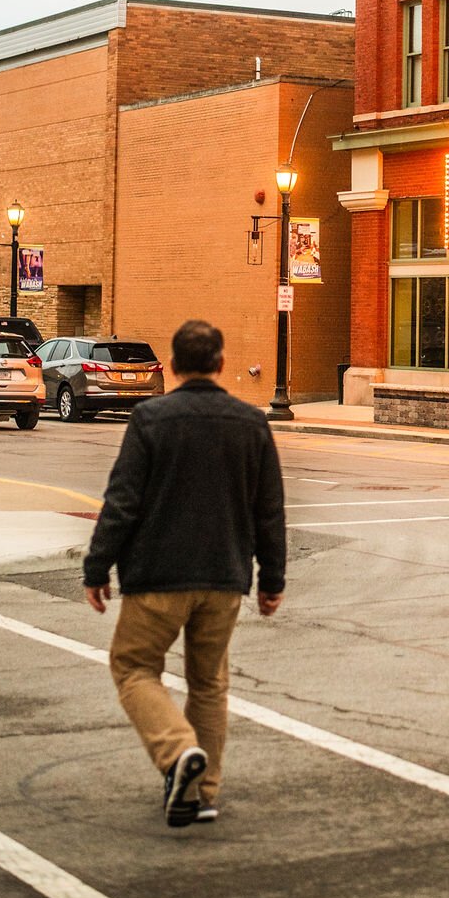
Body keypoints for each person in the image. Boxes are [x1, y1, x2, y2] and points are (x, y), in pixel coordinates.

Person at [83, 319, 286, 827]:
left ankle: (177, 753)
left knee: (133, 668)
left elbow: (122, 501)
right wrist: (272, 580)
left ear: (172, 366)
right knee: (209, 683)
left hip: (158, 575)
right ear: (220, 363)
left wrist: (97, 566)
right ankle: (202, 793)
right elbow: (270, 510)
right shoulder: (250, 422)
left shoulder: (151, 419)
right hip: (224, 578)